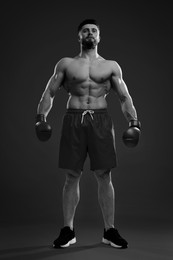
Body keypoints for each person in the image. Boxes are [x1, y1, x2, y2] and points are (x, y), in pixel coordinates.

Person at [35, 19, 141, 249]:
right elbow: (50, 92)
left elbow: (124, 97)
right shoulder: (66, 64)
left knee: (104, 175)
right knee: (72, 175)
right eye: (85, 31)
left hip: (101, 122)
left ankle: (110, 230)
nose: (90, 33)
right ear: (79, 37)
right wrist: (40, 117)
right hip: (74, 119)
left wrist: (134, 121)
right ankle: (68, 230)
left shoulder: (111, 66)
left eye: (94, 31)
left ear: (99, 37)